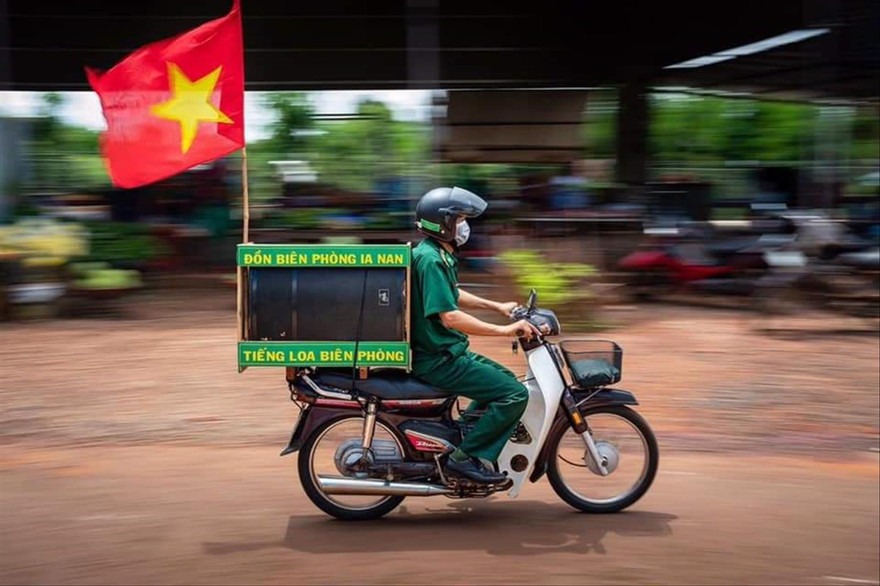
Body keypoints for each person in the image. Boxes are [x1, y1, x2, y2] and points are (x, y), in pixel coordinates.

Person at [411, 186, 544, 485]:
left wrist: (497, 306)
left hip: (448, 353)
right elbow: (450, 317)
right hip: (439, 360)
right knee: (514, 395)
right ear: (442, 223)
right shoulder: (431, 260)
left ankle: (465, 438)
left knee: (507, 383)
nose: (464, 226)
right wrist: (504, 330)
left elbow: (451, 294)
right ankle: (462, 459)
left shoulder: (435, 255)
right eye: (459, 219)